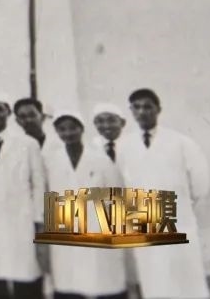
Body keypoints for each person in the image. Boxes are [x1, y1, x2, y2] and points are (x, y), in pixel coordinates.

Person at [116, 88, 210, 299]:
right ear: (131, 111)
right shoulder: (124, 145)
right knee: (153, 277)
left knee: (184, 279)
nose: (142, 112)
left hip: (178, 219)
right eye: (137, 107)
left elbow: (199, 184)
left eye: (147, 107)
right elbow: (122, 184)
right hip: (143, 221)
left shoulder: (180, 142)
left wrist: (180, 208)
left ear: (158, 109)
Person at [43, 112, 127, 299]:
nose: (68, 133)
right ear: (57, 132)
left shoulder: (100, 159)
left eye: (72, 128)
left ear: (81, 129)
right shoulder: (51, 160)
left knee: (100, 280)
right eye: (62, 129)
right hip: (64, 227)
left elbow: (117, 195)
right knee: (68, 281)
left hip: (97, 226)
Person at [0, 93, 46, 299]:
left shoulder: (28, 143)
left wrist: (38, 219)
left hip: (21, 218)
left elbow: (38, 184)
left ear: (8, 112)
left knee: (26, 275)